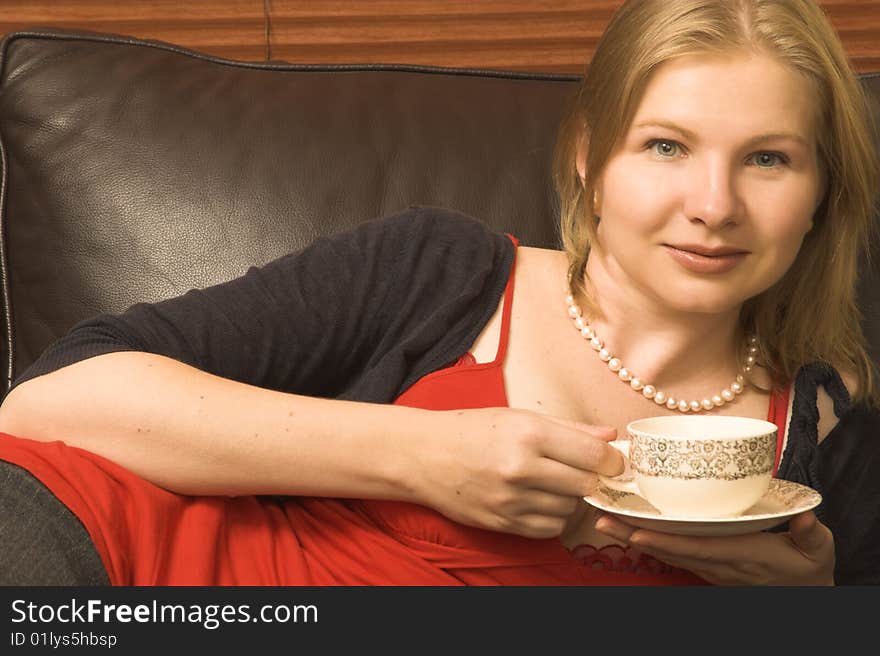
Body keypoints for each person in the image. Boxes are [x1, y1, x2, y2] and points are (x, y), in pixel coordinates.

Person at [0, 0, 878, 586]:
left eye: (768, 158)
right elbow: (46, 403)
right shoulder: (440, 274)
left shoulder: (831, 435)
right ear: (588, 158)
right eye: (665, 146)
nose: (714, 206)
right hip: (124, 563)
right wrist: (421, 456)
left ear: (820, 191)